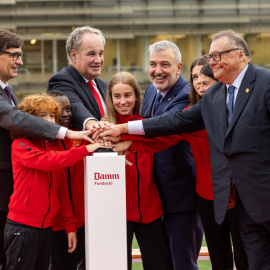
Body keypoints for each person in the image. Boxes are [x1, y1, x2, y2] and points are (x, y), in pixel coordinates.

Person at [100, 29, 270, 270]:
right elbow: (174, 123)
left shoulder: (265, 83)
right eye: (211, 57)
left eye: (218, 55)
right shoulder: (214, 97)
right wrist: (124, 130)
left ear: (240, 54)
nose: (212, 62)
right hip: (235, 201)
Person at [114, 62, 247, 269]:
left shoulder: (238, 109)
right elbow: (166, 134)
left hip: (240, 195)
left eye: (206, 81)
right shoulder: (191, 114)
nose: (200, 86)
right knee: (219, 257)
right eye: (195, 80)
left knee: (245, 255)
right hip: (207, 196)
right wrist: (132, 142)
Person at [0, 29, 91, 270]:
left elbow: (60, 187)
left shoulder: (9, 92)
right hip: (18, 216)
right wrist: (70, 135)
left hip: (39, 223)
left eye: (54, 116)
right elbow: (12, 118)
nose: (20, 61)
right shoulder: (24, 145)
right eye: (15, 55)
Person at [4, 94, 108, 270]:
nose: (49, 120)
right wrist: (88, 148)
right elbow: (49, 161)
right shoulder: (20, 145)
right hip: (22, 228)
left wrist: (70, 226)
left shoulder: (54, 147)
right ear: (29, 120)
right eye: (42, 116)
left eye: (52, 115)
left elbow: (62, 192)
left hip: (47, 230)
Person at [131, 40, 201, 270]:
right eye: (153, 64)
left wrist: (122, 134)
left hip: (181, 197)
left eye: (165, 64)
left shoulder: (186, 94)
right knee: (162, 262)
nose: (157, 70)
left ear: (179, 67)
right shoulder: (151, 89)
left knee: (183, 263)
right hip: (153, 196)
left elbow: (162, 126)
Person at [105, 72, 170, 270]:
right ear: (110, 98)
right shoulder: (102, 129)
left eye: (128, 95)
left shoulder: (147, 126)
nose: (123, 101)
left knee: (159, 265)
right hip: (116, 215)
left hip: (150, 212)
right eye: (117, 96)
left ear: (136, 97)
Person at [47, 90, 87, 270]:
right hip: (55, 224)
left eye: (69, 109)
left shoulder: (82, 138)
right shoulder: (44, 144)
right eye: (58, 109)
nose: (65, 113)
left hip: (83, 219)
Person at [47, 25, 108, 131]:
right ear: (74, 55)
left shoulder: (104, 86)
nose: (98, 60)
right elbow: (74, 105)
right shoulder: (61, 80)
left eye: (101, 54)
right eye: (91, 54)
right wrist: (90, 122)